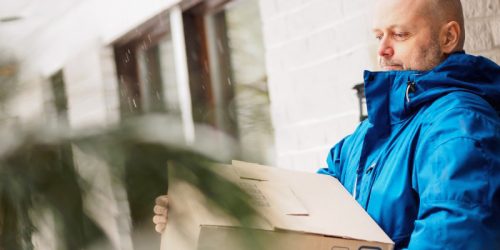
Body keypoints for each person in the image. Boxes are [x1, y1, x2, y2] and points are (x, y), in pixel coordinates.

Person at [153, 0, 500, 248]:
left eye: (400, 34)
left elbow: (457, 235)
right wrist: (196, 212)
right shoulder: (369, 134)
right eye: (378, 34)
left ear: (448, 38)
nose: (383, 50)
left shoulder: (460, 123)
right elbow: (309, 215)